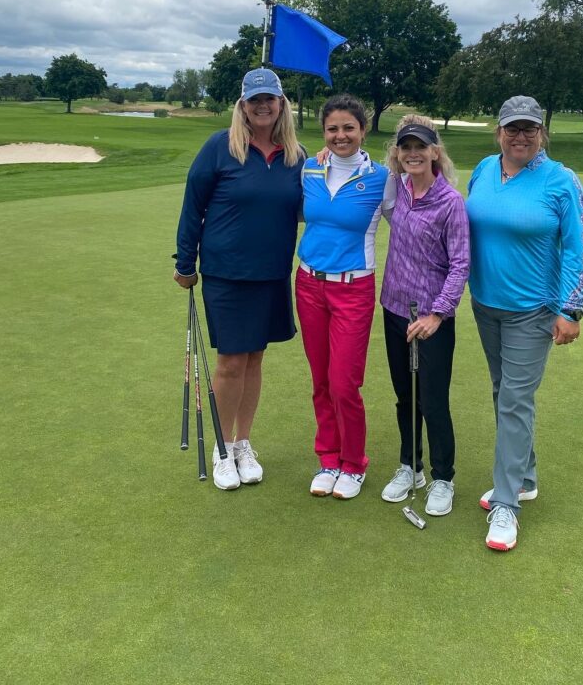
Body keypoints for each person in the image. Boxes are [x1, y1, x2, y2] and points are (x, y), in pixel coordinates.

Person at [466, 95, 583, 551]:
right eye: (512, 128)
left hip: (533, 310)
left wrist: (571, 310)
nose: (521, 136)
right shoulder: (482, 169)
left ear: (542, 133)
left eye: (529, 129)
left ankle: (506, 504)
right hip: (485, 304)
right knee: (504, 393)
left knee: (515, 400)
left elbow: (577, 248)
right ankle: (524, 477)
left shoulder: (561, 181)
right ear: (498, 131)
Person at [174, 68, 304, 490]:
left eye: (270, 99)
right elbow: (193, 207)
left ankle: (243, 441)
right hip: (227, 273)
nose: (263, 106)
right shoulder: (219, 148)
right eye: (255, 100)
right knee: (231, 362)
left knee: (255, 359)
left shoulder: (294, 156)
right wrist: (184, 261)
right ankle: (222, 447)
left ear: (281, 103)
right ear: (242, 106)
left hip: (271, 273)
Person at [296, 95, 394, 500]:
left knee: (343, 383)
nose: (340, 136)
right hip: (308, 284)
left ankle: (353, 464)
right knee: (320, 379)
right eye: (333, 129)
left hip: (353, 288)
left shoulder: (382, 177)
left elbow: (407, 222)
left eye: (348, 128)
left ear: (362, 131)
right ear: (324, 133)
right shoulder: (310, 168)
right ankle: (328, 458)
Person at [379, 115, 470, 517]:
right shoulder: (396, 189)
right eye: (406, 147)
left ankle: (443, 477)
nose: (413, 154)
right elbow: (355, 162)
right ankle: (410, 467)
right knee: (405, 398)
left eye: (421, 147)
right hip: (394, 310)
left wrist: (438, 314)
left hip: (431, 319)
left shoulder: (450, 202)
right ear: (398, 155)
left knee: (432, 400)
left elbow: (460, 264)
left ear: (435, 152)